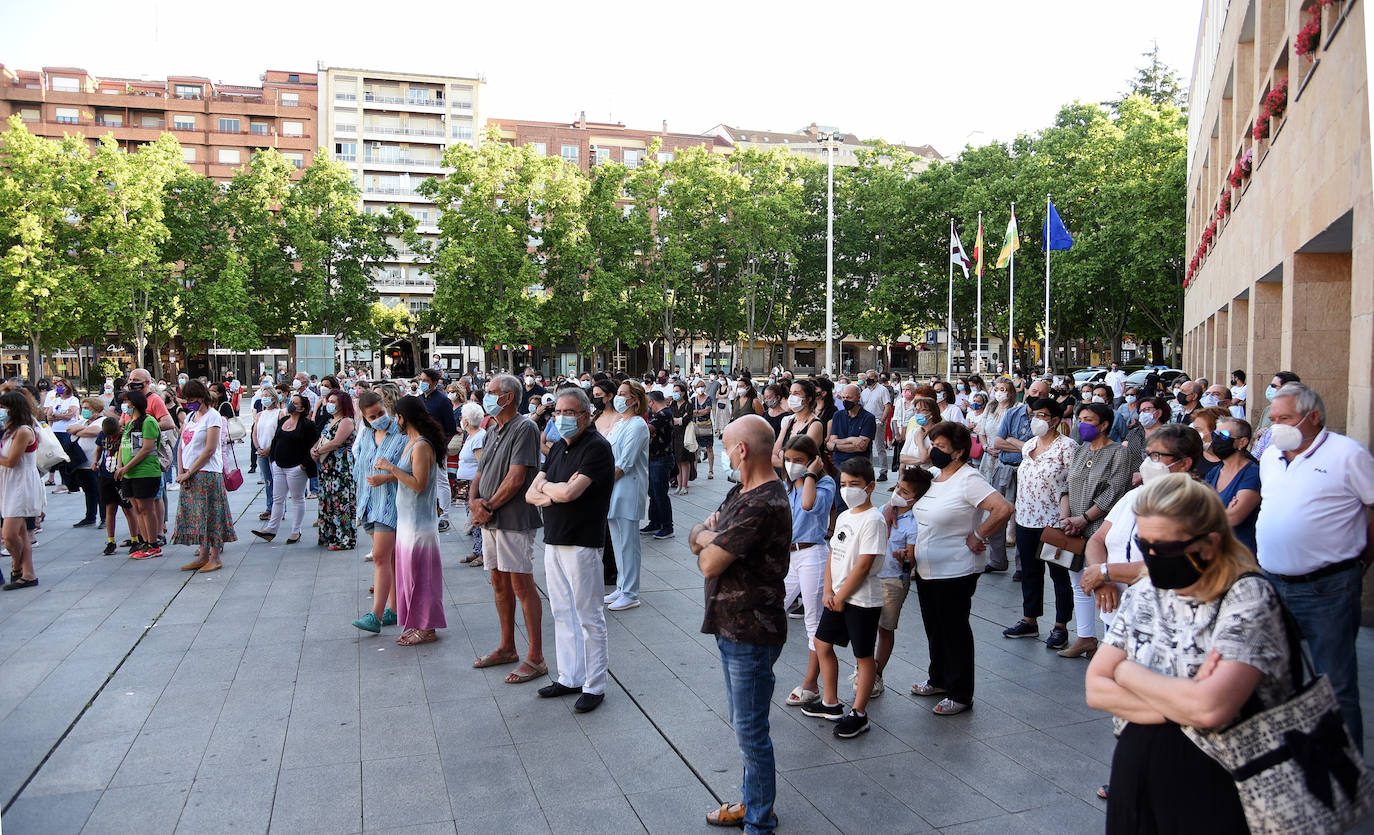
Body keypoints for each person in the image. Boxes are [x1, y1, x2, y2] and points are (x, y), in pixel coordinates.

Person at [1086, 474, 1292, 833]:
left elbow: (1210, 708)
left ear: (1210, 543)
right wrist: (1187, 699)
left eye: (1165, 548)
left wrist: (1127, 674)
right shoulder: (1148, 587)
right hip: (1136, 766)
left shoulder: (1247, 597)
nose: (1152, 557)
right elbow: (1096, 688)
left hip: (1218, 774)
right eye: (1144, 544)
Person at [1255, 382, 1374, 747]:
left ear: (1314, 416)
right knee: (1276, 676)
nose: (1276, 426)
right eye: (1273, 418)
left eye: (1285, 418)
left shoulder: (1347, 454)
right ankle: (1295, 761)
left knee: (1335, 683)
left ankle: (1347, 780)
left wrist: (1359, 563)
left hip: (1328, 587)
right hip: (1273, 582)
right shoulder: (1272, 456)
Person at [690, 415, 790, 832]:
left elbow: (707, 559)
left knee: (750, 731)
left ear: (742, 450)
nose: (724, 452)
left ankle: (759, 821)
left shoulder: (761, 502)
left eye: (727, 445)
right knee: (744, 724)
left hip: (751, 629)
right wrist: (710, 535)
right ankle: (754, 804)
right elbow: (696, 534)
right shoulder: (740, 492)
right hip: (732, 624)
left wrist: (710, 538)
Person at [906, 421, 1011, 715]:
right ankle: (938, 678)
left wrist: (978, 535)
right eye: (933, 445)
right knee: (934, 627)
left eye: (940, 447)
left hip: (956, 568)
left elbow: (1003, 508)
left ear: (958, 452)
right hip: (927, 566)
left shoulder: (969, 479)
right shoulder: (935, 476)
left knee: (954, 630)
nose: (934, 451)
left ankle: (961, 692)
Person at [526, 387, 615, 713]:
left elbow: (571, 493)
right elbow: (531, 493)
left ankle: (594, 685)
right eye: (558, 412)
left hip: (583, 542)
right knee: (561, 612)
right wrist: (554, 491)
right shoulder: (559, 448)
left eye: (569, 412)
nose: (561, 418)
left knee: (589, 617)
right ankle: (569, 676)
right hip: (554, 538)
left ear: (586, 415)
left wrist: (552, 492)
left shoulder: (597, 448)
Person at [799, 457, 886, 738]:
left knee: (863, 657)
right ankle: (831, 702)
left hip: (861, 600)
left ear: (870, 486)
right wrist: (828, 590)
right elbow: (833, 555)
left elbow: (863, 565)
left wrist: (842, 595)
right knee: (822, 644)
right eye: (844, 484)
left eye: (855, 485)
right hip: (836, 597)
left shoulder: (873, 520)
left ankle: (859, 713)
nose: (848, 490)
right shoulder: (846, 516)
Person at [470, 374, 547, 684]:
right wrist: (475, 501)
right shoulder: (491, 430)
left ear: (508, 397)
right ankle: (507, 647)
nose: (485, 396)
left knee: (521, 585)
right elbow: (481, 472)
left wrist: (487, 506)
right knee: (498, 582)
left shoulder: (525, 427)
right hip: (490, 519)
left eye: (491, 392)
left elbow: (516, 478)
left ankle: (536, 657)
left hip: (514, 519)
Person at [1057, 402, 1132, 659]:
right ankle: (1085, 637)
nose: (1082, 424)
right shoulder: (1079, 450)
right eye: (1080, 419)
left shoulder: (1119, 453)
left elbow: (1114, 491)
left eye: (1089, 419)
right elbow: (1066, 485)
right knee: (1079, 585)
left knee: (1105, 583)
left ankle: (1113, 641)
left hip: (1101, 528)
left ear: (1104, 424)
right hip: (1074, 528)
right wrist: (1067, 517)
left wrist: (1085, 519)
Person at [1001, 396, 1077, 647]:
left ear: (1055, 420)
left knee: (1058, 575)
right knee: (1030, 573)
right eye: (1035, 414)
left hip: (1054, 521)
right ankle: (1029, 619)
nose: (1038, 420)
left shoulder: (1067, 447)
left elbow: (1072, 484)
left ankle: (1061, 625)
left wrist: (1068, 517)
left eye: (1043, 416)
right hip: (1025, 518)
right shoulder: (1029, 445)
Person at [371, 396, 447, 646]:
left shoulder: (422, 446)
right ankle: (417, 622)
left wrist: (391, 468)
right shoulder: (410, 442)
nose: (395, 421)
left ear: (404, 418)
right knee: (410, 575)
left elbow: (419, 484)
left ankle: (428, 627)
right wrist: (388, 477)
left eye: (397, 416)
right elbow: (409, 477)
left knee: (421, 575)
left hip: (419, 524)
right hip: (406, 521)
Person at [779, 435, 835, 709]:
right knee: (773, 607)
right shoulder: (787, 485)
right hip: (788, 555)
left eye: (798, 460)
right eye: (788, 460)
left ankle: (811, 683)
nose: (792, 466)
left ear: (813, 460)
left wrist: (810, 473)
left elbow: (808, 505)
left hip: (812, 553)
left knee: (813, 621)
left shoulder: (824, 482)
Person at [351, 391, 406, 633]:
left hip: (390, 506)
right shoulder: (366, 435)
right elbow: (359, 466)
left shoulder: (402, 435)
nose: (378, 418)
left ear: (387, 407)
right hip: (367, 504)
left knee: (381, 558)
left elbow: (413, 473)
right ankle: (393, 609)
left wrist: (387, 478)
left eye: (381, 413)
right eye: (372, 416)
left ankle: (375, 615)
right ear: (365, 417)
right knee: (390, 560)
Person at [874, 465, 931, 697]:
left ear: (916, 499)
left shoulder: (914, 523)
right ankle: (865, 669)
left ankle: (877, 674)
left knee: (885, 628)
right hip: (872, 576)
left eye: (905, 492)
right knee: (866, 627)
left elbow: (910, 557)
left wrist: (904, 557)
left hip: (893, 581)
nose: (898, 493)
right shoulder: (885, 510)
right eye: (898, 487)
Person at [169, 380, 235, 573]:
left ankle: (215, 557)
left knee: (211, 515)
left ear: (202, 396)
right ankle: (203, 555)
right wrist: (181, 470)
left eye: (192, 399)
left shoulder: (212, 416)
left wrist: (190, 472)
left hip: (207, 474)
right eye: (186, 399)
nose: (188, 402)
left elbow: (209, 449)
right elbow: (182, 444)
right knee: (198, 517)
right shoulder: (190, 416)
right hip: (190, 473)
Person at [606, 380, 650, 610]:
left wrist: (600, 483)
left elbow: (624, 463)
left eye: (623, 394)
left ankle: (631, 593)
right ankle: (622, 586)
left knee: (629, 544)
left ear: (635, 399)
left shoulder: (637, 426)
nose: (618, 398)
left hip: (628, 488)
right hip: (614, 489)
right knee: (617, 542)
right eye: (618, 393)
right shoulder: (620, 423)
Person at [253, 393, 319, 545]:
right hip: (279, 466)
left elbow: (313, 446)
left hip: (296, 467)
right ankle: (271, 529)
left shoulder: (307, 425)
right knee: (277, 499)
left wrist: (303, 465)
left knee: (297, 499)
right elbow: (276, 440)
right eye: (291, 402)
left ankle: (296, 531)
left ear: (302, 408)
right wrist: (274, 459)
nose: (291, 404)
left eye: (295, 403)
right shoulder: (283, 420)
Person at [0, 392, 43, 590]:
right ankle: (28, 573)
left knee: (9, 534)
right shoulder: (9, 430)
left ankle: (17, 566)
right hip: (9, 483)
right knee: (21, 533)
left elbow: (11, 461)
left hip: (21, 484)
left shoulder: (24, 431)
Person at [117, 390, 164, 560]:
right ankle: (145, 541)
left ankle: (153, 543)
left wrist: (126, 467)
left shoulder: (149, 422)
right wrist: (120, 466)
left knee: (146, 508)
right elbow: (123, 444)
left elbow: (146, 448)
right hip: (129, 474)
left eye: (127, 402)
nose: (125, 406)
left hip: (145, 472)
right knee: (136, 508)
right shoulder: (130, 423)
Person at [1203, 416, 1260, 555]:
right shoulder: (1215, 472)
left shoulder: (1253, 473)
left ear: (1242, 442)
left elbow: (1234, 517)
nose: (1216, 439)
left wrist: (1207, 515)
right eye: (1215, 434)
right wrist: (1223, 512)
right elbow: (1196, 509)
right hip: (1216, 554)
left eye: (1224, 435)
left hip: (1241, 556)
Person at [313, 388, 357, 551]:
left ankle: (343, 539)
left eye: (333, 402)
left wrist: (318, 451)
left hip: (341, 467)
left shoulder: (346, 421)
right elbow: (322, 439)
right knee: (327, 500)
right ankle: (329, 535)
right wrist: (314, 448)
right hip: (327, 466)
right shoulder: (330, 420)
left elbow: (336, 442)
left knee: (340, 502)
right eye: (328, 401)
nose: (329, 404)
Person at [826, 385, 875, 511]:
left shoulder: (868, 418)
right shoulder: (838, 415)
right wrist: (851, 439)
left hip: (858, 465)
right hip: (839, 464)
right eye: (843, 397)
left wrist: (837, 445)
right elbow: (830, 443)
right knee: (840, 504)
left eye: (849, 397)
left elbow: (861, 447)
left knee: (858, 504)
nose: (845, 400)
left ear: (858, 397)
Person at [454, 402, 487, 566]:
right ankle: (477, 550)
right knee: (471, 519)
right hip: (465, 483)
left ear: (466, 421)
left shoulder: (479, 437)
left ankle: (483, 553)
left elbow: (482, 464)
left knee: (477, 519)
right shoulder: (471, 436)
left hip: (473, 485)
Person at [65, 397, 105, 527]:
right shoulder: (83, 421)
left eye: (87, 408)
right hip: (81, 463)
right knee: (88, 491)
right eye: (83, 408)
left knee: (99, 491)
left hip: (95, 462)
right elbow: (69, 429)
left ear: (96, 409)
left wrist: (79, 431)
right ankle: (90, 516)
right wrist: (81, 431)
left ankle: (104, 517)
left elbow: (95, 431)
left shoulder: (102, 421)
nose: (84, 410)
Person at [645, 390, 676, 537]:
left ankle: (667, 526)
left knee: (660, 494)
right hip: (654, 458)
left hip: (661, 459)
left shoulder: (663, 414)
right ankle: (654, 522)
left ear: (652, 402)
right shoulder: (658, 414)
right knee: (653, 493)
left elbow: (646, 430)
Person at [253, 387, 282, 520]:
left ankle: (280, 508)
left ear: (274, 398)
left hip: (274, 451)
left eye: (267, 395)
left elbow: (279, 434)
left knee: (278, 481)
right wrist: (258, 448)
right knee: (268, 481)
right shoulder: (260, 415)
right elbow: (255, 433)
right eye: (262, 395)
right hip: (261, 451)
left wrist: (269, 448)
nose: (264, 398)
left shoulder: (280, 413)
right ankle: (269, 507)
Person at [859, 373, 893, 481]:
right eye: (867, 377)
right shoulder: (864, 392)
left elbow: (887, 406)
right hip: (866, 423)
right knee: (867, 447)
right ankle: (869, 471)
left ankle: (883, 471)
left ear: (876, 378)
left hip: (878, 421)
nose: (869, 379)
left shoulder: (882, 390)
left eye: (871, 377)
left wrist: (882, 421)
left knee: (879, 447)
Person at [897, 396, 940, 467]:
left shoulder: (938, 434)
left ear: (931, 414)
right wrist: (920, 461)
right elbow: (902, 458)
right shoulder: (913, 432)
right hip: (911, 474)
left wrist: (920, 440)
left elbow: (924, 458)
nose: (917, 412)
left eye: (922, 410)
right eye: (916, 409)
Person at [671, 382, 696, 496]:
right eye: (674, 391)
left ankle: (684, 485)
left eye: (677, 391)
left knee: (685, 461)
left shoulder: (688, 404)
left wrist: (679, 420)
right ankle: (679, 484)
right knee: (677, 461)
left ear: (683, 393)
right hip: (674, 435)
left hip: (685, 435)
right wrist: (679, 419)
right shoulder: (673, 404)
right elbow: (671, 419)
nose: (675, 393)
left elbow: (687, 419)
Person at [691, 379, 716, 478]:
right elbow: (691, 412)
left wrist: (697, 412)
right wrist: (699, 412)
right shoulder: (693, 399)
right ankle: (695, 471)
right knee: (695, 449)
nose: (700, 388)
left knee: (709, 448)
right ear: (695, 388)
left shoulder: (708, 398)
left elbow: (707, 411)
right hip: (696, 426)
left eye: (702, 386)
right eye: (698, 386)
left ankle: (711, 470)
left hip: (706, 426)